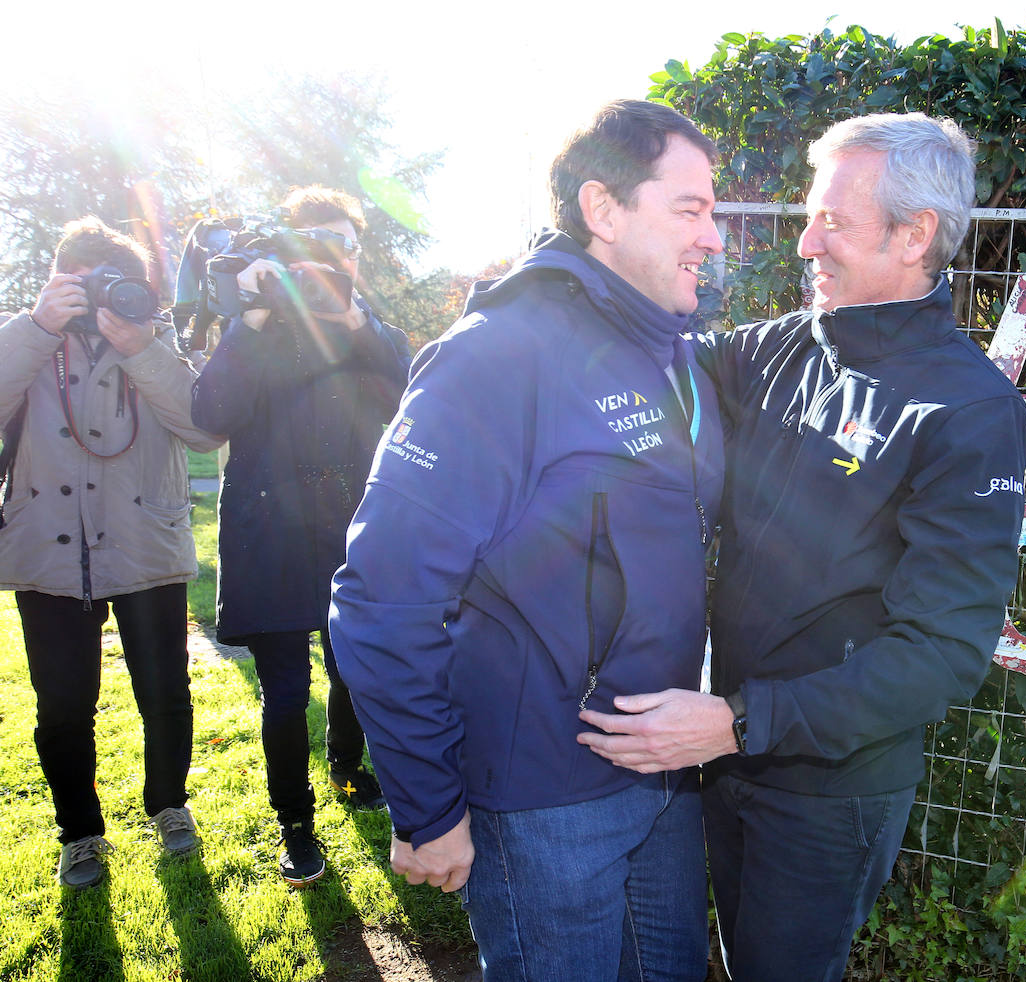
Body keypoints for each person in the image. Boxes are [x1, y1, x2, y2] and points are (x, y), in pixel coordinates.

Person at [578, 112, 1026, 981]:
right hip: (726, 755)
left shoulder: (968, 411)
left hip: (828, 792)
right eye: (807, 218)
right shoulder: (788, 345)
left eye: (834, 222)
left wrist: (741, 721)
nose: (805, 245)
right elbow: (654, 355)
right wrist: (559, 276)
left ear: (916, 234)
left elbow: (941, 655)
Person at [329, 99, 725, 980]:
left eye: (714, 210)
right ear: (604, 209)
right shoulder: (498, 355)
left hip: (667, 776)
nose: (716, 235)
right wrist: (427, 809)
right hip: (544, 801)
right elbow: (381, 600)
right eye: (691, 209)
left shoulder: (672, 350)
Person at [190, 186, 409, 887]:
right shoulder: (255, 328)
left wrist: (348, 318)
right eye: (312, 243)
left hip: (353, 529)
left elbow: (410, 398)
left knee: (354, 671)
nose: (329, 255)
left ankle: (347, 768)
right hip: (268, 531)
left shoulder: (370, 330)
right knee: (285, 693)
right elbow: (211, 414)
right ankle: (296, 824)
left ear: (356, 256)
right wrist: (249, 317)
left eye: (342, 244)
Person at [0, 217, 224, 888]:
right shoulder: (29, 339)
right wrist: (38, 328)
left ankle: (170, 805)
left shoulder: (150, 342)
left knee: (165, 691)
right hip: (49, 548)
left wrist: (143, 347)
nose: (98, 297)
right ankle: (81, 834)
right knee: (63, 703)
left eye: (111, 282)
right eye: (82, 281)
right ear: (58, 280)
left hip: (143, 544)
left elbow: (204, 428)